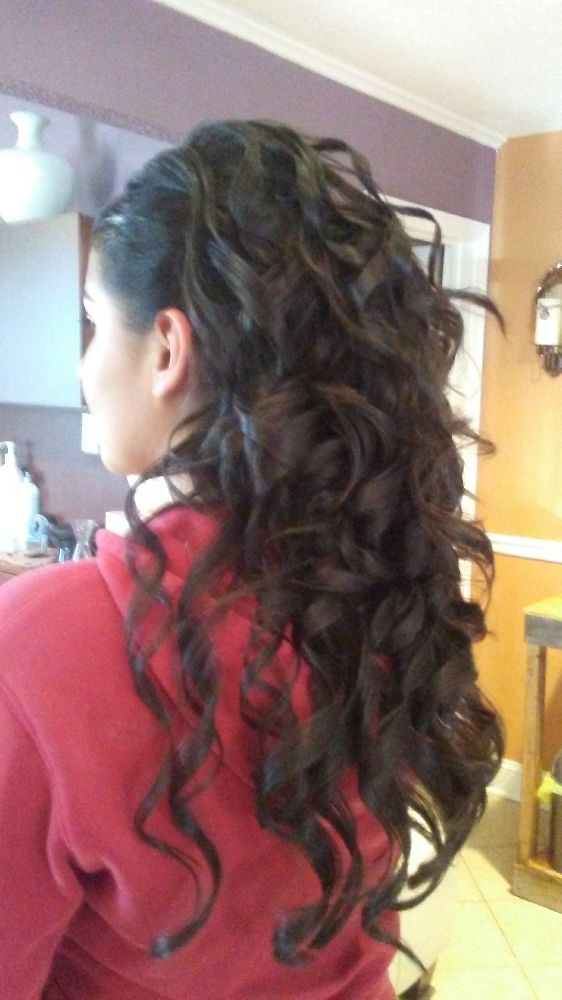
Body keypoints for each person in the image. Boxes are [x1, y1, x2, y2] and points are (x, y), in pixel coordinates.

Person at [0, 120, 503, 1000]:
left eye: (92, 321)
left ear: (167, 348)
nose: (85, 365)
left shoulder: (41, 646)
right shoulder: (380, 590)